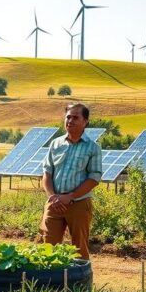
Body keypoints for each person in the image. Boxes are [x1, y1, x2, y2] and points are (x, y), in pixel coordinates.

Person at [40, 103, 103, 260]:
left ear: (85, 122)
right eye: (68, 117)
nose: (70, 121)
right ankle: (52, 276)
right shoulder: (55, 144)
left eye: (75, 117)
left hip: (78, 203)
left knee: (79, 249)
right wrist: (53, 197)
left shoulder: (92, 148)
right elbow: (47, 173)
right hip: (54, 203)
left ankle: (81, 277)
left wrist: (70, 196)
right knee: (48, 248)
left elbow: (94, 178)